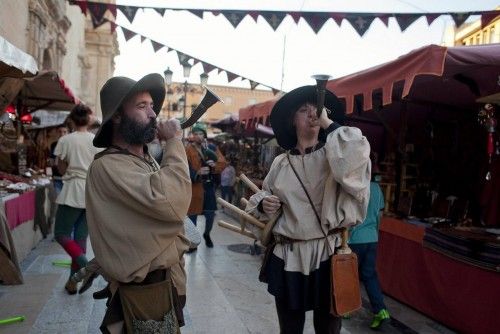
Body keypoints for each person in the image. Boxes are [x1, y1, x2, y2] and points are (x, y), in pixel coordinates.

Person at [246, 85, 371, 334]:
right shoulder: (281, 162)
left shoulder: (335, 156)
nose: (312, 114)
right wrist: (263, 203)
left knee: (328, 329)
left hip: (328, 254)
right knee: (290, 329)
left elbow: (357, 160)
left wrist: (329, 124)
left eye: (317, 110)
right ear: (292, 120)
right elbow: (260, 200)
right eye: (304, 110)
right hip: (288, 255)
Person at [85, 73, 191, 333]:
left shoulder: (142, 159)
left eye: (152, 106)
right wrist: (175, 142)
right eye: (142, 106)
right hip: (143, 292)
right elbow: (172, 200)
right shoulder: (108, 166)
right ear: (118, 116)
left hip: (164, 286)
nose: (153, 114)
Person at [53, 104, 100, 294]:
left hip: (72, 189)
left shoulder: (65, 140)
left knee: (61, 234)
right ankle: (73, 282)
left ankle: (87, 265)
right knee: (80, 239)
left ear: (72, 120)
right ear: (88, 119)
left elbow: (61, 168)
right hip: (90, 191)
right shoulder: (96, 140)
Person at [349, 173, 390, 330]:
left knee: (349, 275)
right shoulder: (376, 188)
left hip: (354, 239)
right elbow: (380, 215)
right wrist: (375, 233)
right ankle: (381, 310)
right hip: (372, 238)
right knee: (369, 275)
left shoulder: (353, 187)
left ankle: (346, 308)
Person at [186, 123, 227, 248]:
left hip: (209, 187)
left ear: (204, 135)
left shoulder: (212, 147)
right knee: (192, 216)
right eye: (196, 134)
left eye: (201, 134)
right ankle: (193, 243)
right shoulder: (187, 149)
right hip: (195, 188)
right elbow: (183, 167)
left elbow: (222, 162)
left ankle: (207, 234)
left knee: (210, 216)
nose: (198, 136)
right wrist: (196, 173)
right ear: (193, 135)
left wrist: (215, 166)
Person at [50, 124, 69, 194]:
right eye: (60, 132)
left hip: (68, 179)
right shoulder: (53, 145)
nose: (62, 134)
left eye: (64, 132)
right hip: (57, 178)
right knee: (58, 201)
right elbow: (52, 160)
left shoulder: (71, 144)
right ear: (56, 133)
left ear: (68, 133)